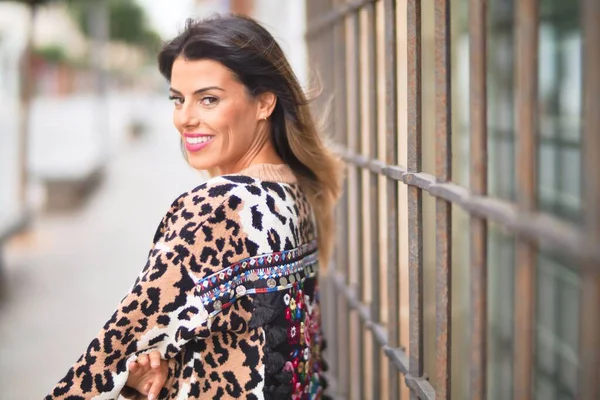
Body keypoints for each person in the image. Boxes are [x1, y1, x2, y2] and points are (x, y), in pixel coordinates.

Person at [45, 13, 342, 400]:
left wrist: (132, 370)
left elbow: (109, 359)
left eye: (209, 99)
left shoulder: (219, 208)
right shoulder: (295, 193)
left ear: (264, 102)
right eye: (178, 99)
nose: (184, 118)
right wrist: (160, 361)